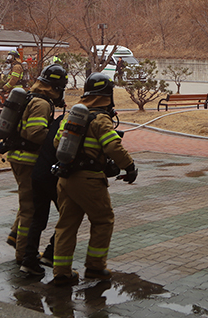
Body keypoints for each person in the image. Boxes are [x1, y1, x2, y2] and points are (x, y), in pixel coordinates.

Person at [51, 74, 137, 285]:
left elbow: (56, 143)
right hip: (89, 180)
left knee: (66, 225)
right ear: (106, 96)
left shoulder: (72, 115)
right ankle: (95, 267)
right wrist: (130, 166)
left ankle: (61, 273)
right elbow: (112, 146)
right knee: (103, 220)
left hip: (65, 178)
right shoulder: (100, 119)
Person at [15, 64, 69, 276]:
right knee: (31, 210)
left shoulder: (32, 97)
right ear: (56, 87)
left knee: (26, 205)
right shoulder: (41, 104)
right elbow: (35, 132)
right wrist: (57, 138)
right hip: (29, 160)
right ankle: (23, 255)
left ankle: (16, 239)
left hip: (21, 156)